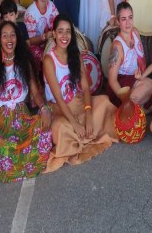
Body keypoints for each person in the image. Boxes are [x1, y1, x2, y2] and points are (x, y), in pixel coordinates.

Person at [0, 21, 52, 183]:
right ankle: (14, 162)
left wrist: (44, 108)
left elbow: (36, 93)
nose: (9, 39)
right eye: (5, 35)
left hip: (21, 116)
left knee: (44, 128)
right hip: (0, 121)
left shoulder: (24, 63)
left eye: (12, 35)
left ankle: (17, 161)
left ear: (17, 38)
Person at [43, 14, 117, 172]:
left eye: (68, 31)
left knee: (103, 101)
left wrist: (89, 113)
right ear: (54, 34)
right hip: (59, 109)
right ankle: (82, 133)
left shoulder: (76, 55)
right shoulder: (49, 61)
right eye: (60, 31)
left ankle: (84, 132)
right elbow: (58, 98)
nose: (64, 36)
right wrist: (75, 123)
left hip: (78, 104)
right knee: (59, 127)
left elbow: (85, 88)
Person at [106, 2, 152, 109]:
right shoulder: (117, 46)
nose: (128, 23)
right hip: (123, 86)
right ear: (118, 22)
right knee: (149, 87)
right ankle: (130, 107)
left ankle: (137, 108)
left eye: (130, 17)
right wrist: (124, 99)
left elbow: (141, 59)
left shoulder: (135, 33)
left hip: (136, 80)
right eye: (123, 19)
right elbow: (112, 80)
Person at [24, 0, 59, 67]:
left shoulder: (51, 5)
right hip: (35, 46)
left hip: (49, 42)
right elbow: (29, 41)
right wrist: (44, 37)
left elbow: (58, 23)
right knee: (49, 61)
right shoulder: (30, 14)